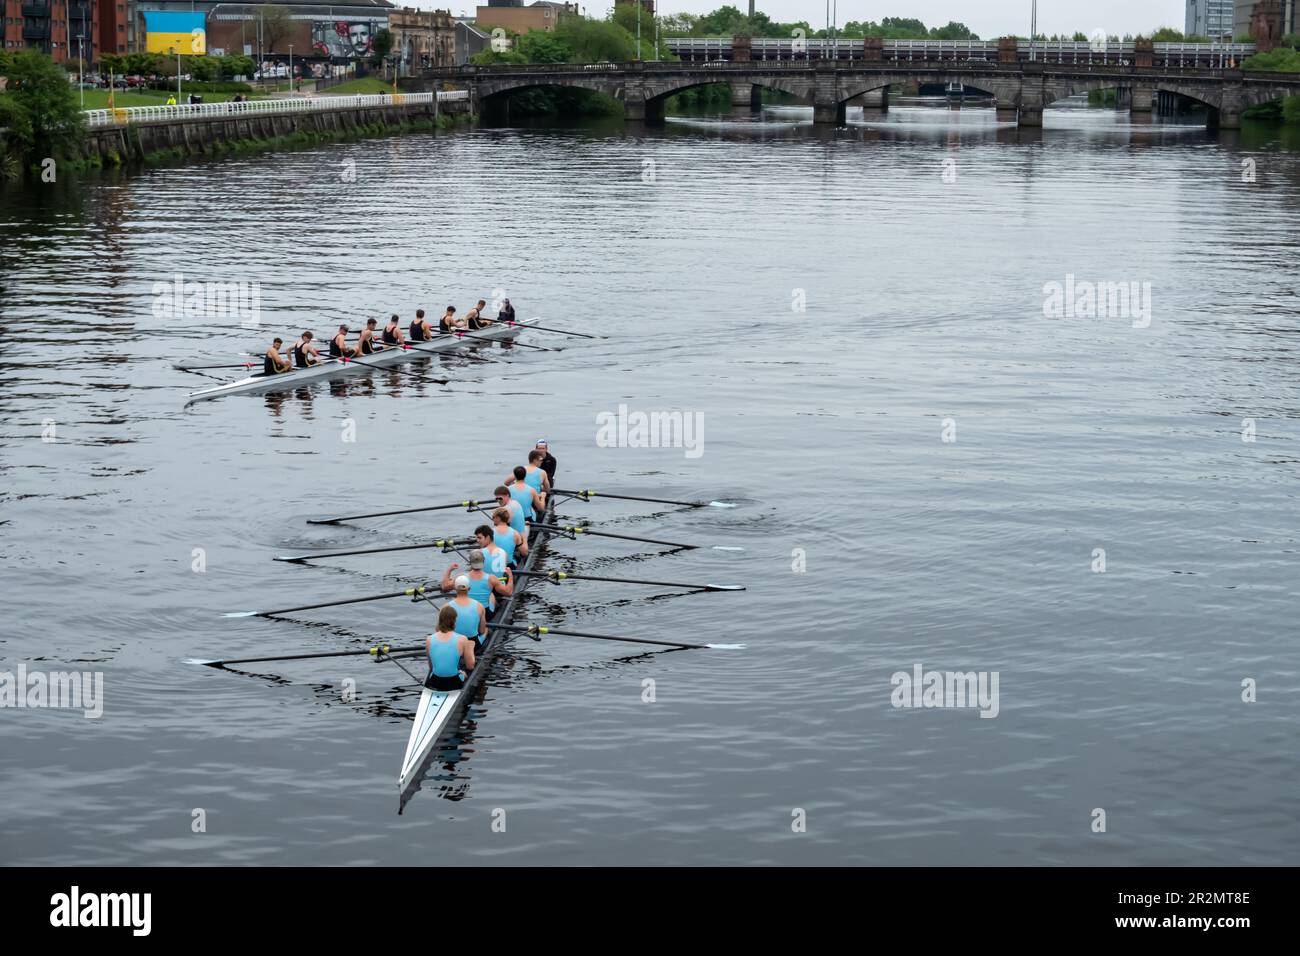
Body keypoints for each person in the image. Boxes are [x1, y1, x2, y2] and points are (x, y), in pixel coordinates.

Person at [442, 550, 512, 621]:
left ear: (470, 562)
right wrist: (510, 575)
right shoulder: (491, 578)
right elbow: (508, 593)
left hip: (467, 613)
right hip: (485, 614)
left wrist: (449, 570)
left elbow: (444, 586)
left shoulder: (461, 577)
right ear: (483, 561)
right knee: (491, 594)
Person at [424, 604, 476, 691]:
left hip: (434, 682)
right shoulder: (462, 639)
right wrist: (470, 648)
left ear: (440, 620)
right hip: (453, 683)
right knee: (464, 671)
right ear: (454, 621)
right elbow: (470, 666)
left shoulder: (429, 639)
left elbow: (431, 667)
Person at [444, 575, 488, 647]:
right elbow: (481, 631)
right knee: (486, 630)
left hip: (454, 645)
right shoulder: (479, 606)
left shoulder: (446, 607)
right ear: (469, 588)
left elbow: (439, 630)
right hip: (473, 644)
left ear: (455, 588)